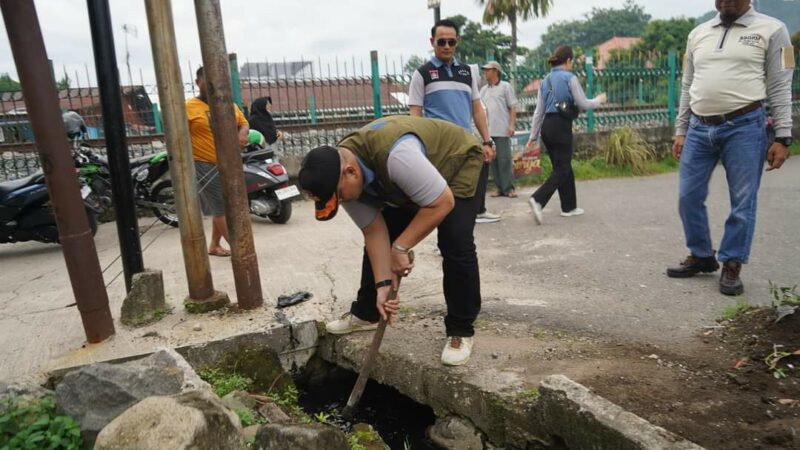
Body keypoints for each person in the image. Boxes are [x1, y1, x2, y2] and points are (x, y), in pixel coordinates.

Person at [298, 115, 485, 366]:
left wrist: (401, 247)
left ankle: (461, 330)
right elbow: (374, 232)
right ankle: (368, 312)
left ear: (351, 172)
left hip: (457, 161)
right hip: (409, 178)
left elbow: (442, 202)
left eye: (339, 196)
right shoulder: (341, 176)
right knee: (386, 233)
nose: (341, 202)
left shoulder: (397, 157)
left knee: (455, 241)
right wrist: (383, 285)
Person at [667, 0, 793, 296]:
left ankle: (732, 262)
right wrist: (681, 130)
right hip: (698, 128)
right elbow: (688, 84)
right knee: (687, 196)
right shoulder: (698, 33)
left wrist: (783, 136)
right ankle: (701, 255)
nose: (725, 2)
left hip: (745, 127)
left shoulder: (774, 30)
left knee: (743, 200)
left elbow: (780, 84)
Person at [408, 19, 499, 224]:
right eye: (442, 42)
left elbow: (477, 108)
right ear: (432, 42)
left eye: (451, 41)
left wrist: (487, 141)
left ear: (457, 41)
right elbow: (415, 115)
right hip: (439, 149)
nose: (447, 46)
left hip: (466, 146)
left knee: (465, 201)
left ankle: (460, 245)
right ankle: (447, 246)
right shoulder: (422, 74)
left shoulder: (467, 72)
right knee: (443, 201)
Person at [526, 46, 606, 225]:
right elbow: (583, 103)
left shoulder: (545, 81)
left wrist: (533, 137)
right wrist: (599, 100)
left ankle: (569, 207)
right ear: (568, 61)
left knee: (563, 166)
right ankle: (538, 199)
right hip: (561, 126)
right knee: (562, 169)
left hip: (547, 126)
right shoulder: (570, 78)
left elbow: (538, 112)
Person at [186, 66, 250, 257]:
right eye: (208, 81)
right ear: (198, 82)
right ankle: (240, 249)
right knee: (221, 208)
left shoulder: (227, 104)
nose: (213, 85)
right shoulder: (188, 107)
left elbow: (244, 122)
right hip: (203, 163)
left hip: (228, 163)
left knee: (223, 206)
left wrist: (242, 134)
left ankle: (214, 245)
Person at [480, 61, 518, 198]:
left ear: (496, 71)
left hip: (502, 130)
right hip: (487, 132)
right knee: (492, 161)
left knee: (504, 160)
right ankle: (499, 188)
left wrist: (511, 125)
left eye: (488, 70)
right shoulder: (483, 90)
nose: (485, 73)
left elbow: (513, 107)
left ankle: (509, 188)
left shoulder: (505, 87)